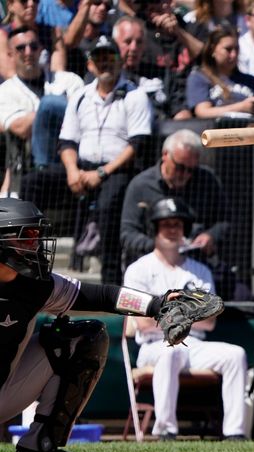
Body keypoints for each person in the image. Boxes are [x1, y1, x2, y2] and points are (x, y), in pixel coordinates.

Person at [0, 197, 196, 452]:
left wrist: (158, 305)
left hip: (4, 391)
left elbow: (103, 296)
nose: (36, 246)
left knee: (84, 337)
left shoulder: (36, 287)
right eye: (26, 237)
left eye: (37, 237)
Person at [123, 197, 248, 441]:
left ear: (185, 230)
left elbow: (210, 320)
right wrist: (188, 314)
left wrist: (167, 315)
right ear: (155, 228)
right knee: (171, 352)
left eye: (177, 224)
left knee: (235, 354)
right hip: (154, 345)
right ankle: (166, 430)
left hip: (195, 344)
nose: (172, 230)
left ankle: (235, 433)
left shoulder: (199, 271)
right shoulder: (139, 269)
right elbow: (144, 322)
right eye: (166, 224)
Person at [58, 35, 153, 285]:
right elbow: (67, 142)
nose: (104, 63)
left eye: (109, 57)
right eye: (98, 58)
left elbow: (137, 144)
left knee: (108, 205)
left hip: (119, 170)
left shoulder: (135, 95)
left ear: (119, 62)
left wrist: (101, 173)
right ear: (90, 65)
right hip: (81, 169)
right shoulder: (80, 96)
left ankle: (110, 280)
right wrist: (71, 172)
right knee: (37, 183)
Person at [120, 129, 231, 293]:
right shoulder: (141, 185)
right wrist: (162, 246)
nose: (185, 174)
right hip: (151, 266)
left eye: (191, 170)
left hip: (197, 266)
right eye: (180, 167)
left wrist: (211, 236)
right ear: (165, 155)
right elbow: (127, 234)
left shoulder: (208, 181)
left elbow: (225, 221)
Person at [0, 26, 83, 194]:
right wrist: (53, 108)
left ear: (41, 50)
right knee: (49, 103)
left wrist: (43, 112)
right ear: (10, 54)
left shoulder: (69, 80)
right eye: (21, 48)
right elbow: (20, 128)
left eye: (33, 46)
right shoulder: (5, 91)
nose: (28, 52)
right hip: (29, 167)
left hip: (74, 158)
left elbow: (85, 116)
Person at [112, 15, 190, 121]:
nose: (134, 48)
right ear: (115, 43)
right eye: (128, 41)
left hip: (160, 132)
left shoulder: (162, 74)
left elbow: (181, 110)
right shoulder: (107, 77)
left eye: (139, 42)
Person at [186, 25, 254, 118]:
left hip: (248, 130)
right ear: (212, 49)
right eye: (228, 49)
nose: (233, 55)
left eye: (236, 49)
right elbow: (203, 112)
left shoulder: (250, 81)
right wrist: (240, 107)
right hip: (215, 130)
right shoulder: (199, 78)